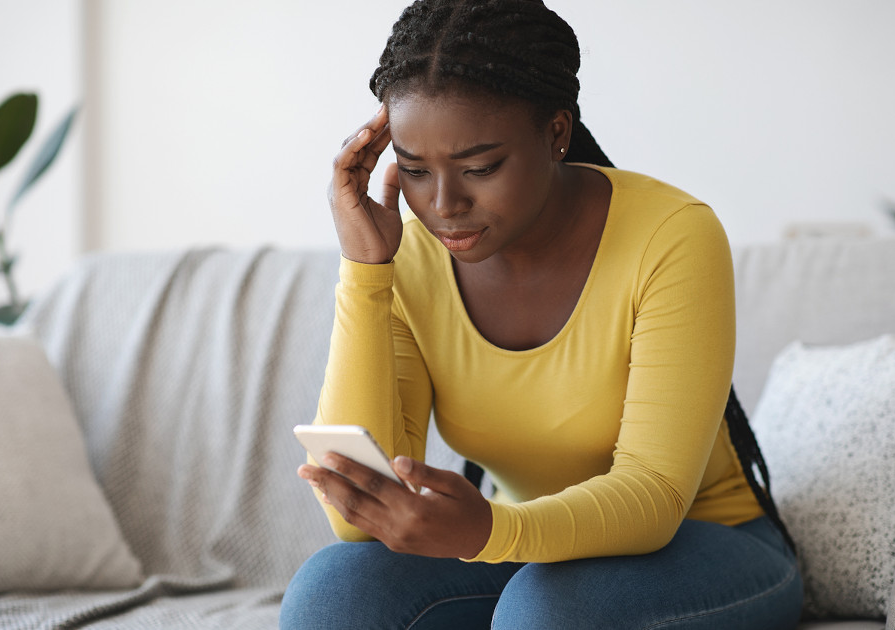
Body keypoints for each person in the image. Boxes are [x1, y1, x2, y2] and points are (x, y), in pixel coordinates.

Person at [282, 1, 802, 627]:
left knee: (544, 615)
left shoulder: (672, 235)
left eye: (480, 167)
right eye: (415, 171)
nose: (444, 205)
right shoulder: (407, 251)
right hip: (527, 550)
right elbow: (352, 518)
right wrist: (366, 271)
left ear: (556, 133)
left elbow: (654, 499)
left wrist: (492, 532)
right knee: (334, 592)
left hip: (704, 543)